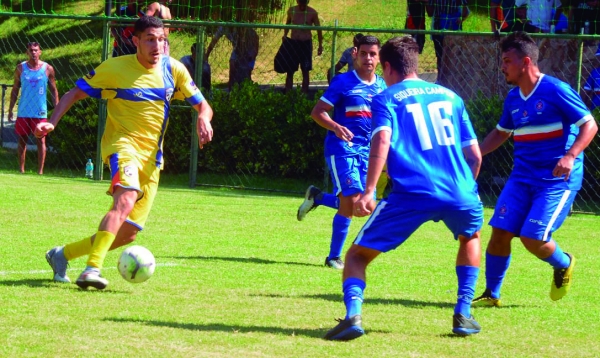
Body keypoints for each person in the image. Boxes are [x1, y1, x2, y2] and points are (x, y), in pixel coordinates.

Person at [323, 36, 484, 340]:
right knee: (470, 237)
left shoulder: (386, 97)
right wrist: (466, 190)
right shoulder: (452, 97)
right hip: (460, 191)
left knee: (357, 256)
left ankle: (353, 317)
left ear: (386, 66)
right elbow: (474, 155)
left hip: (412, 193)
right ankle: (463, 313)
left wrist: (370, 190)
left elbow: (382, 139)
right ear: (415, 63)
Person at [38, 16, 214, 290]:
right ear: (136, 41)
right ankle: (91, 269)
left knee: (127, 234)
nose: (157, 46)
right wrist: (53, 121)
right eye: (149, 39)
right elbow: (74, 93)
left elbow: (203, 105)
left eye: (161, 39)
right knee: (125, 198)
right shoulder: (115, 69)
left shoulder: (174, 70)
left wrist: (204, 118)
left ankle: (62, 254)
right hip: (122, 147)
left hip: (153, 160)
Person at [473, 32, 597, 307]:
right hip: (522, 177)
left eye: (507, 61)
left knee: (533, 238)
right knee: (500, 231)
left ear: (526, 61)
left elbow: (590, 125)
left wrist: (571, 155)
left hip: (556, 179)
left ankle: (564, 262)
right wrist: (474, 153)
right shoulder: (513, 98)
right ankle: (491, 294)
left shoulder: (556, 90)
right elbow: (501, 132)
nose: (502, 66)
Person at [297, 35, 386, 270]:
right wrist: (336, 127)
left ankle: (317, 197)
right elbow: (318, 112)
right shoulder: (343, 82)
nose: (368, 58)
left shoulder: (382, 86)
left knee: (363, 207)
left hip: (369, 152)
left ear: (379, 58)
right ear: (355, 53)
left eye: (373, 54)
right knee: (351, 200)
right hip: (342, 149)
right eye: (364, 53)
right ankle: (333, 258)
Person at [8, 42, 59, 175]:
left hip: (40, 111)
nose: (34, 53)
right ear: (27, 52)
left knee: (41, 140)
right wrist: (10, 109)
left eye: (36, 50)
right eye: (31, 50)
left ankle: (40, 171)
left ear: (40, 52)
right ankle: (21, 170)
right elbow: (14, 89)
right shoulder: (20, 68)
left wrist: (57, 108)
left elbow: (54, 90)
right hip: (24, 110)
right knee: (22, 140)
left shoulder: (48, 69)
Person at [281, 0, 323, 93]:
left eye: (304, 2)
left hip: (306, 45)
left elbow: (319, 29)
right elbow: (287, 23)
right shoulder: (292, 11)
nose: (302, 5)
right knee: (290, 70)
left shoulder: (312, 12)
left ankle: (304, 93)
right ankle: (288, 92)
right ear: (297, 1)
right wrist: (285, 34)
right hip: (293, 44)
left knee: (305, 69)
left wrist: (320, 45)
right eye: (301, 2)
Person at [428, 0, 470, 83]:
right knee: (440, 56)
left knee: (455, 55)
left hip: (454, 29)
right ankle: (440, 80)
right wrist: (426, 3)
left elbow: (466, 11)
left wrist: (461, 19)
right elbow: (430, 13)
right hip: (438, 28)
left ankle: (454, 81)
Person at [205, 26, 259, 90]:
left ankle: (247, 87)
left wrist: (254, 51)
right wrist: (207, 54)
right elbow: (214, 40)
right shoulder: (224, 27)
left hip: (249, 47)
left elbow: (255, 38)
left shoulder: (241, 26)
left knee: (247, 70)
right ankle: (231, 86)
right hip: (238, 48)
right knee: (232, 63)